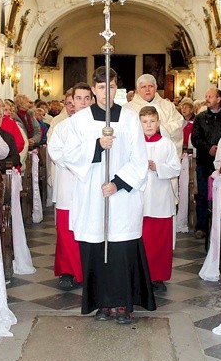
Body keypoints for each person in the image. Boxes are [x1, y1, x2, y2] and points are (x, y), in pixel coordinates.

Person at [60, 66, 155, 324]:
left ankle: (123, 304)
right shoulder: (79, 121)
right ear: (93, 89)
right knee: (95, 248)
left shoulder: (129, 118)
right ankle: (101, 304)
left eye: (111, 87)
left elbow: (139, 159)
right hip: (91, 193)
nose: (106, 92)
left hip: (122, 196)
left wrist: (117, 183)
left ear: (117, 89)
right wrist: (97, 147)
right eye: (101, 87)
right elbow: (68, 155)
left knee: (121, 250)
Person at [47, 83, 93, 290]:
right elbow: (55, 152)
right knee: (66, 230)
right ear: (71, 101)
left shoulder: (101, 125)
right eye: (79, 98)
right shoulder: (62, 127)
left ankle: (89, 270)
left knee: (90, 228)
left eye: (86, 98)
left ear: (92, 100)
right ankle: (67, 270)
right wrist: (78, 164)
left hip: (92, 184)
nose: (82, 102)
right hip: (68, 181)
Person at [139, 106, 181, 294]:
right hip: (140, 199)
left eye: (152, 121)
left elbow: (176, 168)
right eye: (145, 122)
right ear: (140, 124)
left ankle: (158, 277)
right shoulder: (135, 144)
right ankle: (141, 275)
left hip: (161, 198)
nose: (148, 125)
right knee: (142, 239)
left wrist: (158, 167)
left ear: (158, 123)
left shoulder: (167, 144)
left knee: (159, 241)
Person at [190, 87, 221, 239]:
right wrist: (208, 148)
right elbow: (195, 137)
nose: (207, 99)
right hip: (204, 160)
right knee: (202, 194)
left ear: (219, 99)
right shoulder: (200, 117)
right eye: (206, 96)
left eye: (210, 96)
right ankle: (201, 226)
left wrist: (220, 149)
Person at [123, 74, 184, 156]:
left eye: (150, 86)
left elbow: (178, 124)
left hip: (162, 153)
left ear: (156, 88)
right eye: (143, 87)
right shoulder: (127, 108)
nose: (147, 90)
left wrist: (160, 128)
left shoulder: (168, 106)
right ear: (137, 89)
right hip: (137, 153)